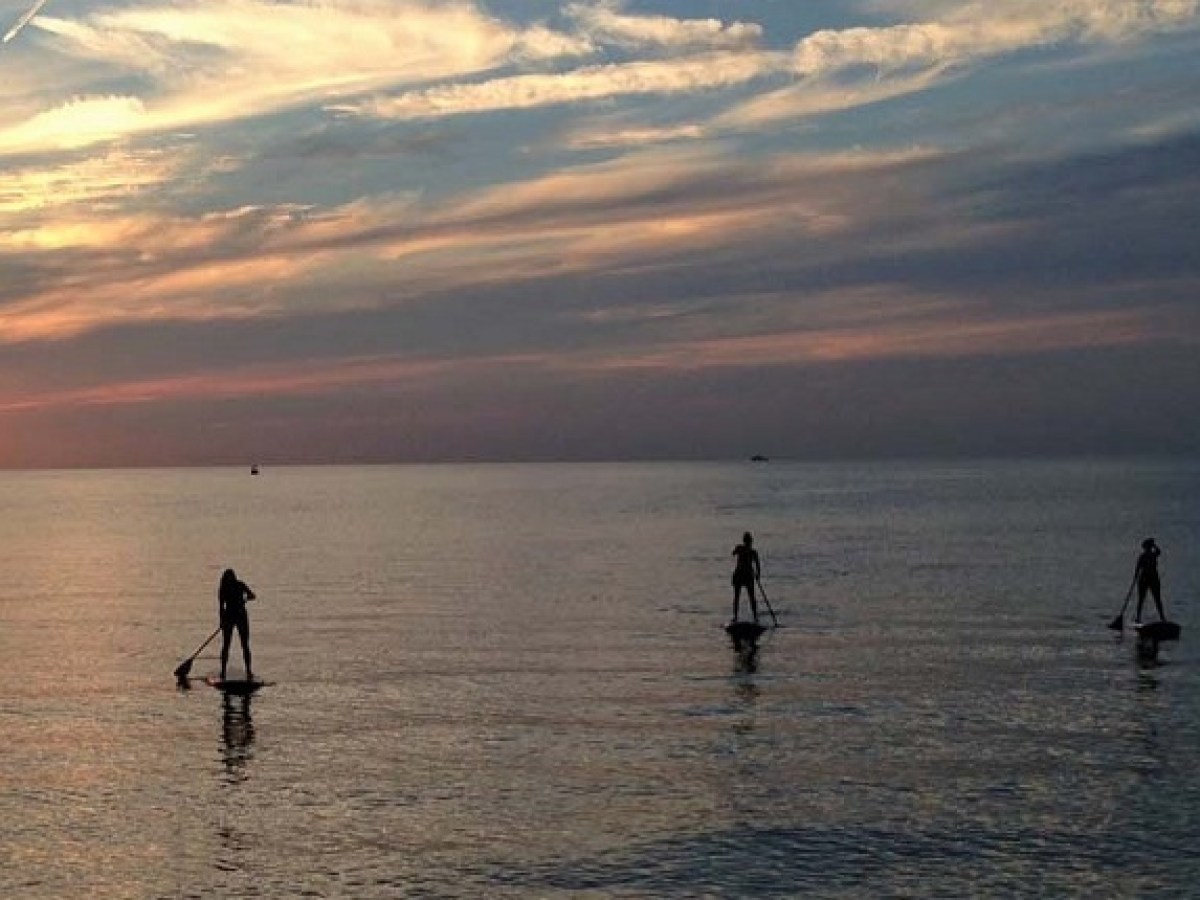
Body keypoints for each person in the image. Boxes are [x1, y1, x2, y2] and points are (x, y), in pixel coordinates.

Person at [218, 568, 256, 680]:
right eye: (228, 578)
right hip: (229, 617)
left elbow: (252, 595)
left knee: (245, 644)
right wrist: (222, 621)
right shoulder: (223, 589)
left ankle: (248, 671)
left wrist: (245, 598)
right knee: (226, 645)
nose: (229, 580)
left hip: (240, 616)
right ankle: (223, 671)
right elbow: (221, 607)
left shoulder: (240, 585)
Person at [731, 532, 761, 623]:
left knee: (751, 597)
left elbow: (758, 565)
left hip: (748, 576)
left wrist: (758, 575)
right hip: (739, 575)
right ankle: (735, 617)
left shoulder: (753, 552)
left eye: (749, 541)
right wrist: (738, 550)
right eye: (747, 541)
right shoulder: (740, 548)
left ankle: (755, 617)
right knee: (737, 597)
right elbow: (733, 553)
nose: (748, 543)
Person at [1133, 538, 1165, 624]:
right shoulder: (1142, 557)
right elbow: (1138, 568)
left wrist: (1153, 545)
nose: (1148, 549)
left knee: (1157, 598)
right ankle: (1138, 617)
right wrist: (1135, 578)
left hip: (1154, 578)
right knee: (1141, 599)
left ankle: (1162, 618)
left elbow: (1159, 551)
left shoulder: (1154, 555)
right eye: (1147, 547)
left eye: (1149, 547)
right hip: (1144, 579)